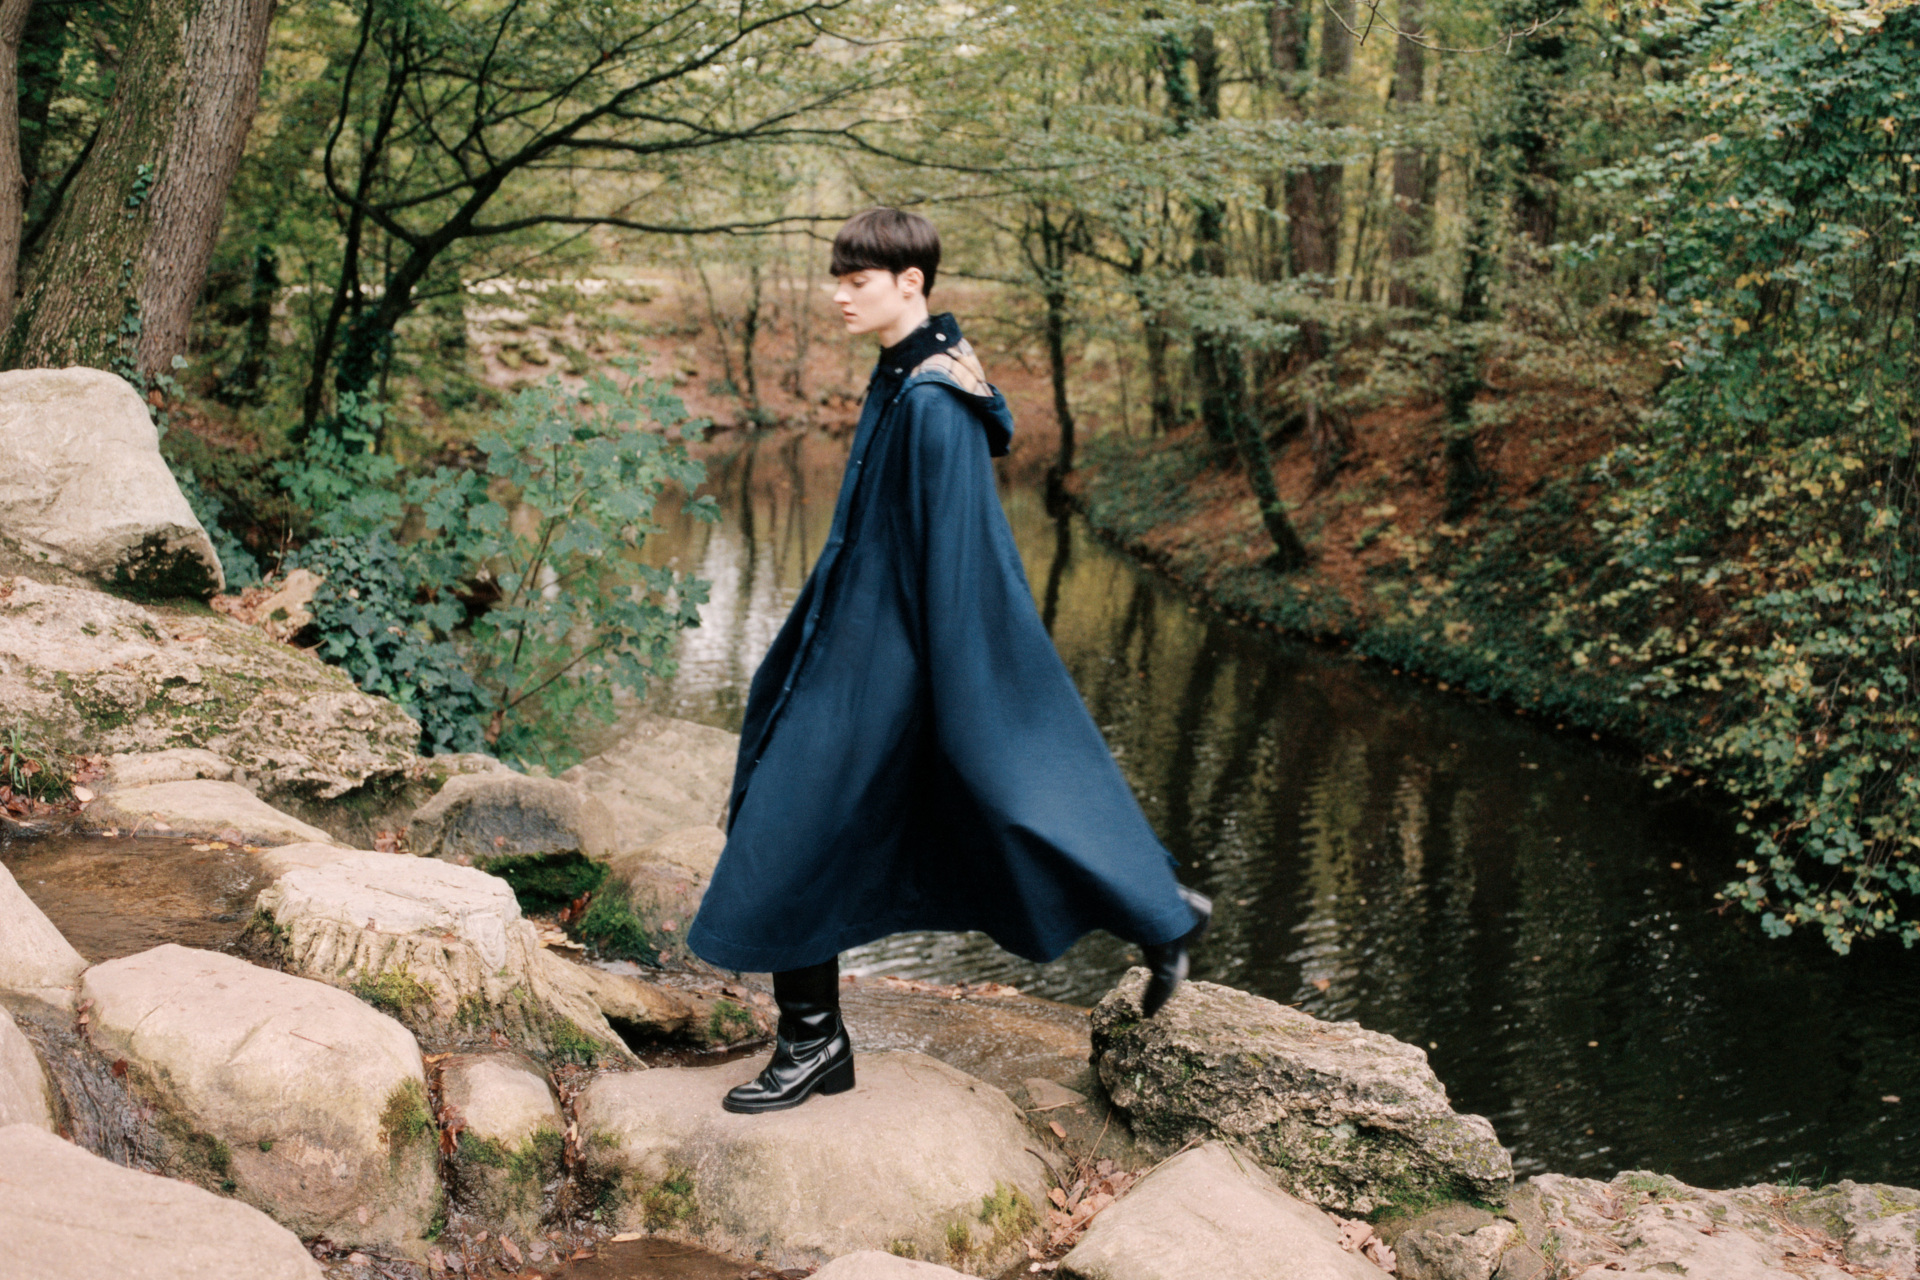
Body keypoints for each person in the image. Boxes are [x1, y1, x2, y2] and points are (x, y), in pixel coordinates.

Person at [686, 208, 1210, 1115]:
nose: (838, 294)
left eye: (857, 280)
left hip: (888, 668)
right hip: (845, 645)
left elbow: (965, 566)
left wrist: (947, 699)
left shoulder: (933, 402)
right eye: (837, 277)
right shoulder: (903, 377)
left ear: (911, 284)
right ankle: (818, 1044)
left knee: (818, 819)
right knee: (782, 817)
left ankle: (1158, 916)